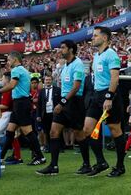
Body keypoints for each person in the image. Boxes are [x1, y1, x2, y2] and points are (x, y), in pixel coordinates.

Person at [36, 40, 89, 175]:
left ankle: (87, 164)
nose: (61, 50)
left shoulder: (78, 64)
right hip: (65, 102)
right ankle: (53, 166)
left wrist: (62, 102)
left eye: (63, 47)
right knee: (54, 132)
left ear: (71, 49)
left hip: (74, 102)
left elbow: (76, 87)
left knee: (79, 134)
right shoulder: (65, 66)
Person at [0, 51, 45, 165]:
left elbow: (12, 85)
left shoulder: (16, 70)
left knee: (28, 132)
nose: (8, 62)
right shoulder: (25, 71)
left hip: (21, 103)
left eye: (9, 60)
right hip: (20, 103)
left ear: (15, 59)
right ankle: (0, 157)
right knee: (10, 131)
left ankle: (40, 157)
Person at [82, 26, 126, 177]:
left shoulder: (111, 54)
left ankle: (120, 166)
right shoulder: (97, 56)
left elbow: (115, 78)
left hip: (110, 95)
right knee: (87, 129)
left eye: (95, 36)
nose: (92, 38)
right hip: (96, 96)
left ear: (105, 38)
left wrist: (109, 96)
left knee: (115, 130)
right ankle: (101, 162)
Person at [0, 72, 22, 164]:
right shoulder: (9, 90)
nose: (2, 80)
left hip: (8, 114)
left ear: (7, 80)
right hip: (9, 113)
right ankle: (18, 157)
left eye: (3, 78)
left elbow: (5, 106)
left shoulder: (8, 90)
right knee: (11, 136)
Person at [37, 75, 61, 152]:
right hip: (45, 113)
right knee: (46, 131)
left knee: (56, 130)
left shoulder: (57, 90)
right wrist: (38, 115)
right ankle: (49, 147)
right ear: (44, 81)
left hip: (55, 113)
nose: (48, 81)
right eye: (46, 80)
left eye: (49, 80)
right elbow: (39, 104)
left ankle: (59, 147)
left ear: (52, 80)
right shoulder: (41, 91)